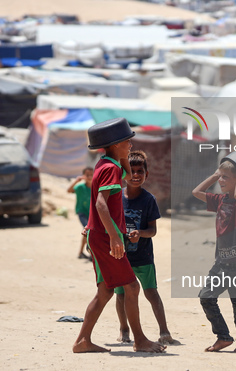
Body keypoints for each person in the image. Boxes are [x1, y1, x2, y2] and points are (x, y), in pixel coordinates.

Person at [72, 117, 165, 354]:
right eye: (127, 141)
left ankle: (83, 340)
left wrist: (119, 150)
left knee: (106, 290)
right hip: (105, 237)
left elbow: (123, 168)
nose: (131, 144)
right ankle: (140, 340)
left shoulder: (107, 163)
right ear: (114, 144)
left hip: (100, 234)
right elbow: (102, 204)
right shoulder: (110, 168)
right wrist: (114, 237)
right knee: (132, 287)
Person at [192, 155, 236, 352]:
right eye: (221, 177)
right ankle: (223, 336)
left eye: (226, 177)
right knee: (206, 297)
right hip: (221, 263)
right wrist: (215, 175)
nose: (221, 181)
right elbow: (196, 192)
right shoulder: (219, 200)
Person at [114, 151, 175, 345]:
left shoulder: (149, 200)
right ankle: (124, 329)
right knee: (121, 294)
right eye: (131, 171)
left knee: (151, 293)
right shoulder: (116, 198)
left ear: (146, 175)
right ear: (124, 174)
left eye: (140, 171)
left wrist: (140, 233)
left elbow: (152, 230)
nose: (136, 175)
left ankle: (164, 331)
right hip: (121, 255)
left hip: (143, 256)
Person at [67, 167, 94, 260]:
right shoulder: (80, 187)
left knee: (87, 231)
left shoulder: (96, 187)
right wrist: (76, 181)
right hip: (82, 212)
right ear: (84, 176)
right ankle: (91, 252)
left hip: (92, 214)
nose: (90, 177)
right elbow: (69, 190)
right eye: (87, 175)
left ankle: (81, 253)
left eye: (91, 174)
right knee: (88, 230)